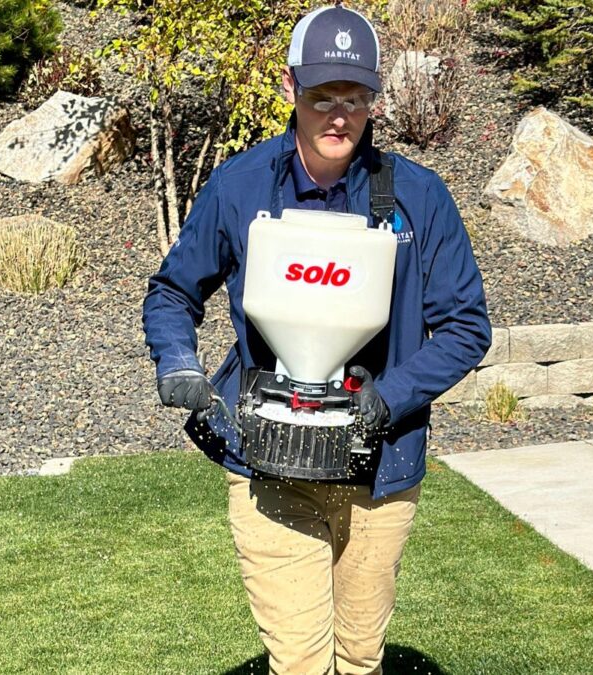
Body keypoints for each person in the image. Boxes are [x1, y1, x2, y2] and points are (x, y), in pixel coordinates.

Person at [142, 3, 491, 672]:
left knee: (359, 657)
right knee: (300, 660)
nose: (339, 115)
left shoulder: (418, 197)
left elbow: (467, 326)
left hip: (381, 469)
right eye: (323, 95)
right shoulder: (241, 188)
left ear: (373, 99)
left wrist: (387, 397)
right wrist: (178, 362)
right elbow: (173, 290)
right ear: (289, 88)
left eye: (355, 98)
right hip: (267, 463)